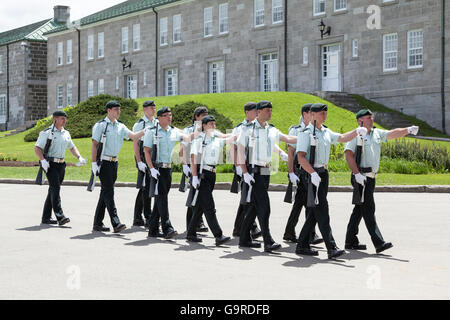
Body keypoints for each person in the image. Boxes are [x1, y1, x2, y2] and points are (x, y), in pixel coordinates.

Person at [295, 103, 368, 259]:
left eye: (325, 113)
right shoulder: (305, 133)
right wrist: (312, 173)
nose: (324, 116)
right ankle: (331, 247)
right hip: (312, 174)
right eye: (321, 113)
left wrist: (356, 132)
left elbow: (341, 138)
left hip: (323, 174)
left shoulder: (326, 132)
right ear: (312, 115)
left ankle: (301, 245)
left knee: (315, 213)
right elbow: (300, 157)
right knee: (323, 211)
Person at [344, 109, 419, 254]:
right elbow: (348, 154)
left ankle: (350, 241)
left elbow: (392, 133)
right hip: (361, 176)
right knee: (369, 209)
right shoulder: (356, 134)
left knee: (359, 209)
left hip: (371, 177)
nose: (371, 119)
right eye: (368, 117)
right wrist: (356, 174)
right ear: (360, 121)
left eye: (372, 117)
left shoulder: (376, 133)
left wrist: (407, 130)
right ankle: (379, 242)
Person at [237, 100, 298, 253]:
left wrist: (305, 138)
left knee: (253, 207)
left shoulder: (271, 130)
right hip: (253, 171)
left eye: (271, 110)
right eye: (266, 110)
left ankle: (244, 238)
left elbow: (287, 139)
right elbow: (239, 151)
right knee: (264, 206)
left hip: (265, 171)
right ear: (258, 112)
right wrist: (244, 173)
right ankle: (268, 240)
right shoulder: (248, 130)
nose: (269, 113)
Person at [143, 106, 199, 239]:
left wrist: (200, 129)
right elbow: (146, 151)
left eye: (171, 115)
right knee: (162, 198)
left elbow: (187, 138)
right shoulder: (152, 132)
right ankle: (167, 228)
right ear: (160, 117)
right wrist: (151, 169)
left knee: (160, 199)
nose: (170, 117)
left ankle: (153, 229)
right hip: (157, 168)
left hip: (168, 169)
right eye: (167, 115)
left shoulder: (173, 131)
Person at [91, 100, 147, 233]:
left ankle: (97, 223)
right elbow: (94, 144)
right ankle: (116, 222)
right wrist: (94, 163)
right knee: (109, 192)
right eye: (116, 109)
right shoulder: (101, 125)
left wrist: (144, 131)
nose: (118, 111)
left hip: (114, 162)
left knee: (105, 192)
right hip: (103, 162)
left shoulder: (120, 126)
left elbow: (133, 136)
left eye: (119, 109)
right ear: (108, 110)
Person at [186, 115, 234, 246]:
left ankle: (190, 233)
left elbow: (228, 139)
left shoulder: (215, 138)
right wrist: (194, 176)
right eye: (211, 124)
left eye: (214, 123)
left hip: (212, 174)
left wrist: (240, 133)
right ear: (204, 125)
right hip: (202, 175)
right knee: (209, 206)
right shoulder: (199, 139)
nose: (213, 126)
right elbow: (193, 158)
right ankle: (218, 235)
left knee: (201, 206)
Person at [34, 110, 87, 225]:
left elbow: (72, 147)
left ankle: (46, 218)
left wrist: (79, 157)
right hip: (50, 164)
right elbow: (37, 148)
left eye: (65, 118)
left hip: (61, 165)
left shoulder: (66, 133)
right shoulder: (47, 132)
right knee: (56, 189)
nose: (64, 120)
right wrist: (43, 161)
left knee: (53, 190)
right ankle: (60, 216)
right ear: (55, 119)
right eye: (62, 118)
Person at [283, 103, 322, 244]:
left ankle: (291, 232)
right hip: (300, 172)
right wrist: (291, 172)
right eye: (310, 113)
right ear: (305, 114)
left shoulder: (315, 130)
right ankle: (309, 233)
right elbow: (291, 152)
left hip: (309, 171)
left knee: (301, 203)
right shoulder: (296, 130)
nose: (313, 115)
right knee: (307, 203)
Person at [230, 102, 262, 239]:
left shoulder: (257, 127)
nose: (256, 113)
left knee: (247, 197)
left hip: (253, 166)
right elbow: (233, 148)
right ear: (247, 112)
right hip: (243, 167)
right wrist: (238, 166)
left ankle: (238, 228)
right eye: (255, 111)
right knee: (248, 197)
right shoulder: (239, 128)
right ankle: (252, 228)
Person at [180, 106, 209, 233]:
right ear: (196, 117)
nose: (205, 117)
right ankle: (191, 224)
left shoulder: (207, 130)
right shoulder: (189, 130)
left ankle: (197, 222)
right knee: (194, 195)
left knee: (201, 195)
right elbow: (182, 149)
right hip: (192, 165)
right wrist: (184, 165)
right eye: (203, 115)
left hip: (203, 165)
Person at [132, 100, 158, 228]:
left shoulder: (157, 122)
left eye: (154, 107)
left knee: (145, 187)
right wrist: (139, 161)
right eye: (150, 108)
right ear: (144, 109)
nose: (153, 109)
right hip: (143, 155)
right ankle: (148, 216)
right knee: (147, 187)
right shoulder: (140, 124)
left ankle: (137, 217)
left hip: (153, 154)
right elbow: (135, 143)